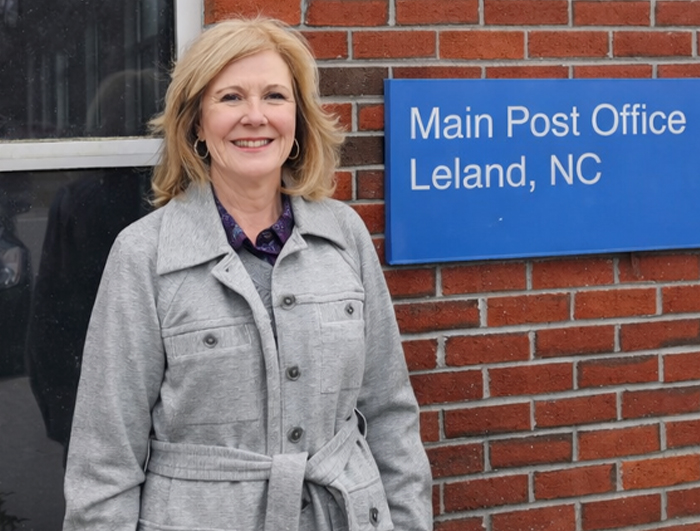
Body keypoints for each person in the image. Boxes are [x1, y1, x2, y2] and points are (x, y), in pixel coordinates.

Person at [62, 17, 432, 531]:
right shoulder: (145, 255)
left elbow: (390, 415)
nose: (255, 117)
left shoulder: (344, 235)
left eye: (275, 97)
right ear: (195, 122)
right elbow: (104, 463)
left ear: (299, 119)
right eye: (231, 97)